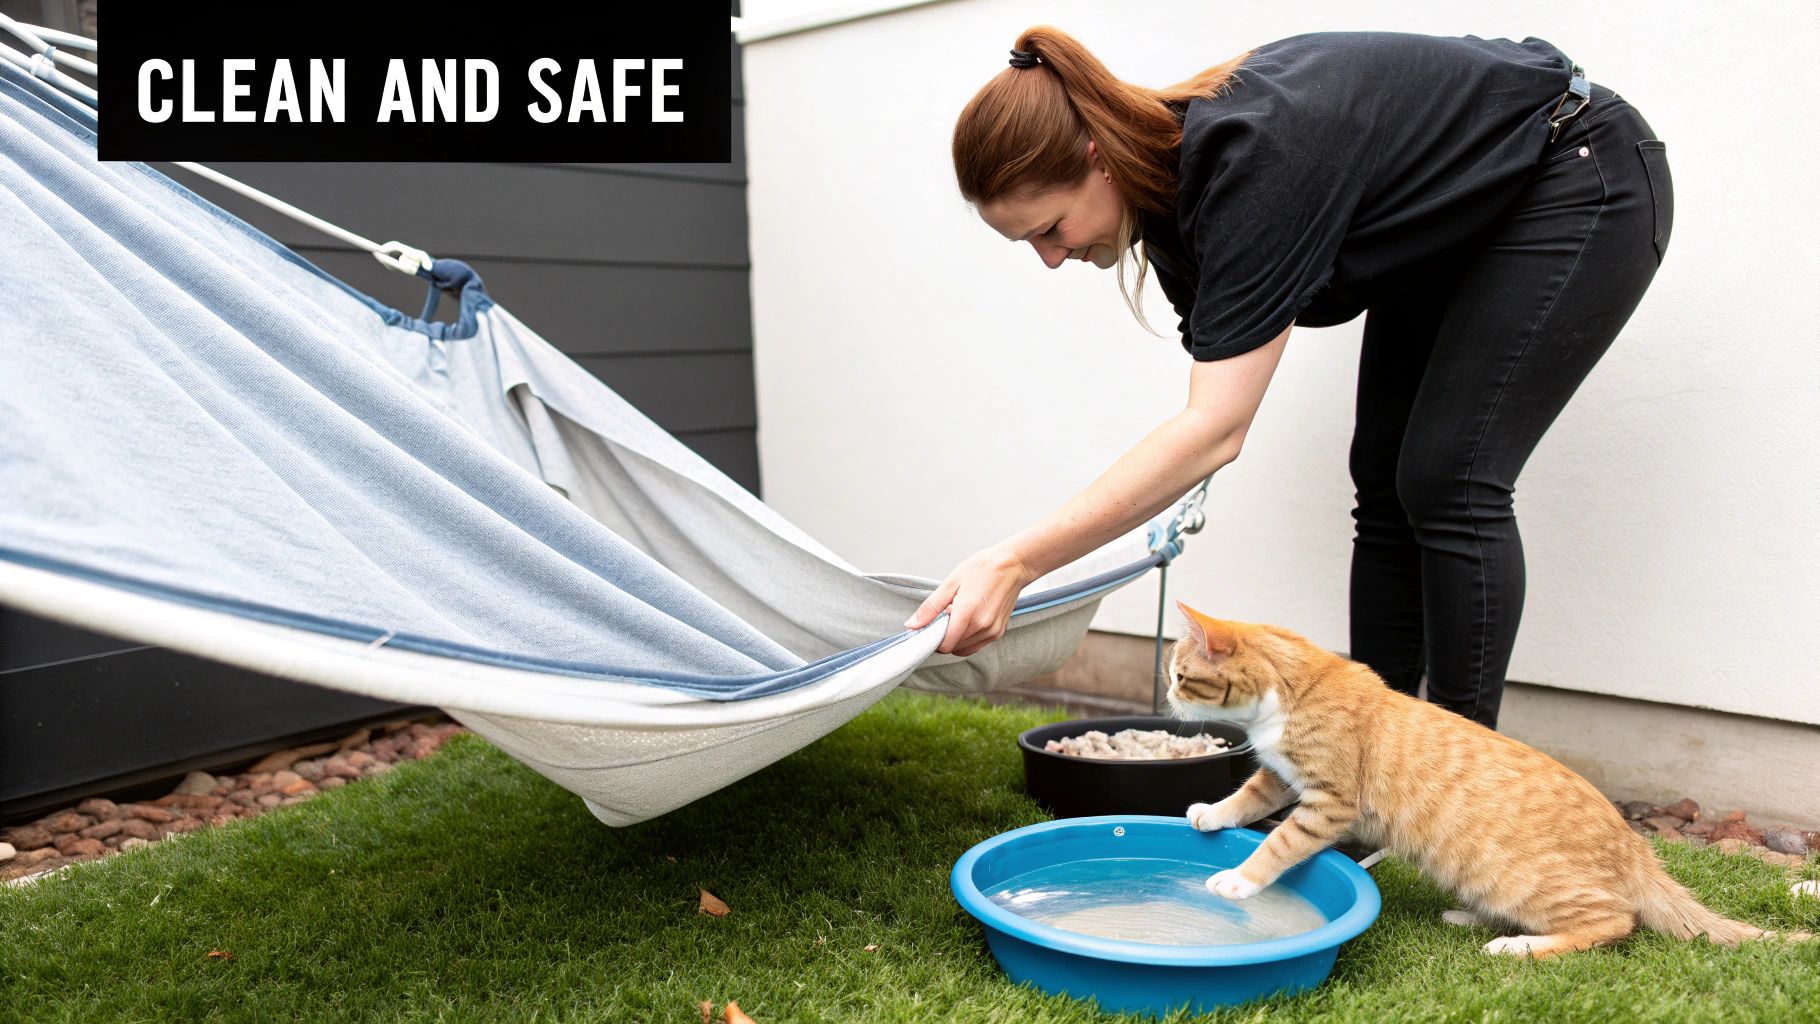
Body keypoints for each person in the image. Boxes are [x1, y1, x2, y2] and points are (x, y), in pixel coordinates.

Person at [906, 27, 1673, 730]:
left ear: (1095, 159)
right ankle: (1366, 765)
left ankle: (1459, 793)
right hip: (1459, 224)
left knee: (1448, 478)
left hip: (1570, 171)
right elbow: (1212, 401)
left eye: (1050, 228)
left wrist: (1015, 561)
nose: (1049, 259)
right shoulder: (1168, 205)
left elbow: (1214, 430)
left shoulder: (1253, 156)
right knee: (1383, 482)